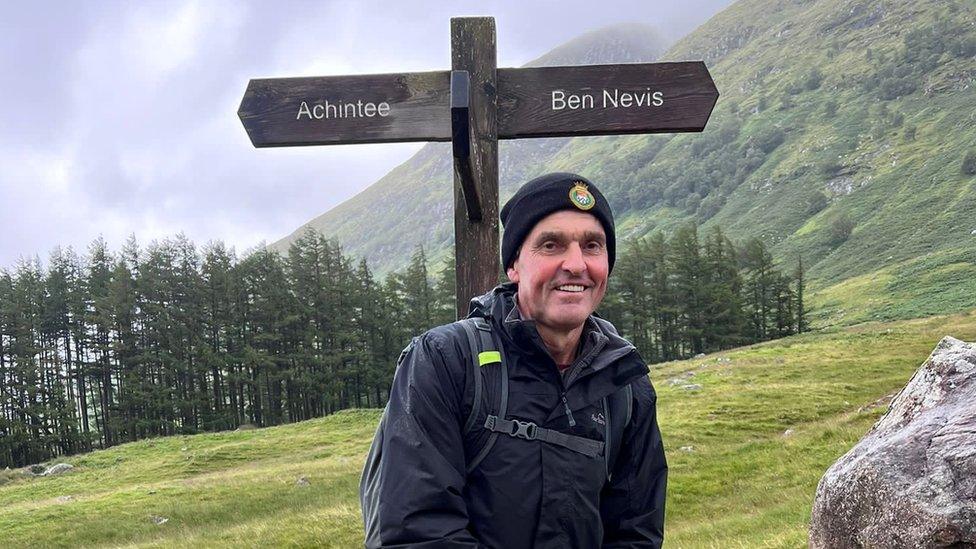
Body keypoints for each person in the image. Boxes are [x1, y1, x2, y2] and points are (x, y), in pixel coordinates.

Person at [360, 172, 667, 548]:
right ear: (514, 266)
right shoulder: (445, 360)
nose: (575, 264)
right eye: (551, 245)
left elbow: (636, 535)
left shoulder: (625, 384)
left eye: (592, 246)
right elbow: (416, 532)